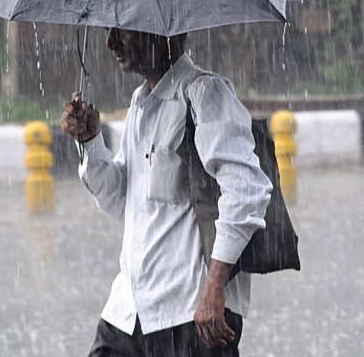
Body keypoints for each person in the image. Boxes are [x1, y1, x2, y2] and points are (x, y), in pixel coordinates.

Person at [60, 28, 272, 357]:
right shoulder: (140, 104)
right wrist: (90, 143)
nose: (111, 42)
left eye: (122, 30)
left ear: (162, 32)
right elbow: (124, 203)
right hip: (128, 311)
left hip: (189, 313)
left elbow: (246, 191)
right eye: (109, 31)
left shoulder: (205, 93)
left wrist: (215, 287)